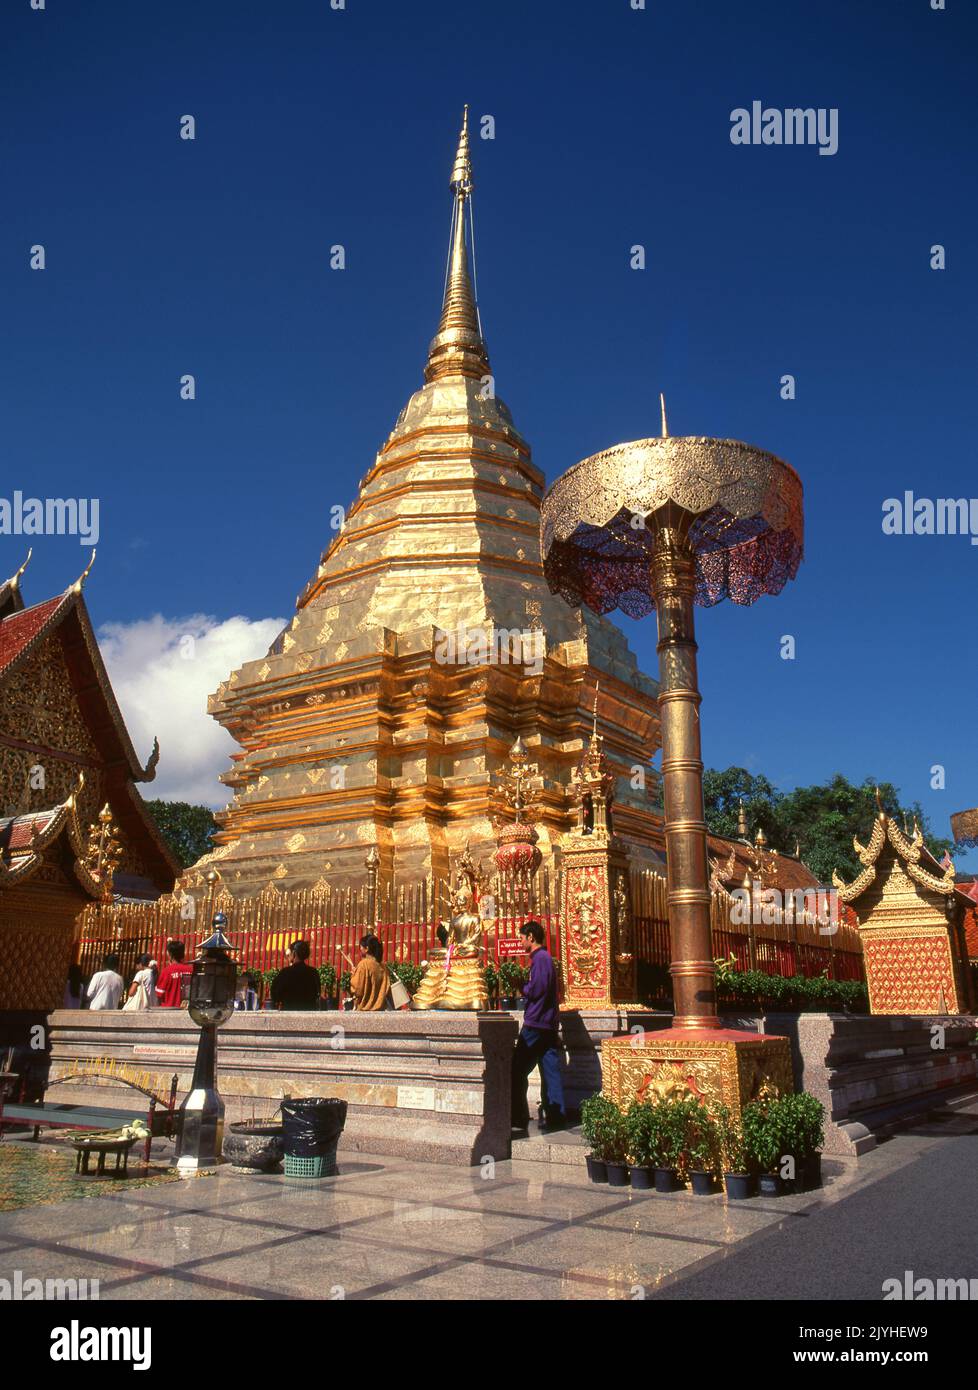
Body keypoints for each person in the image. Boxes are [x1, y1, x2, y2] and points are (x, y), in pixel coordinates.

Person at [511, 920, 566, 1134]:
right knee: (550, 1069)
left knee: (517, 1069)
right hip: (547, 1024)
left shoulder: (541, 959)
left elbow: (538, 990)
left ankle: (518, 1113)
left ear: (531, 937)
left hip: (536, 1024)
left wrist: (521, 986)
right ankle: (556, 1114)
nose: (520, 941)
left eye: (521, 938)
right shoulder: (543, 959)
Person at [270, 940, 321, 1011]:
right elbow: (317, 993)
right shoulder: (313, 972)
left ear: (294, 953)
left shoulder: (285, 972)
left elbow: (275, 995)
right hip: (309, 1013)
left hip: (289, 1012)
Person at [349, 934, 391, 1011]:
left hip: (365, 1008)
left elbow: (357, 989)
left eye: (361, 946)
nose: (360, 949)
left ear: (367, 948)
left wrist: (353, 976)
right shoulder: (383, 966)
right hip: (380, 1009)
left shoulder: (364, 964)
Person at [155, 940, 193, 1008]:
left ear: (170, 954)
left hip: (168, 1010)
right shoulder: (191, 970)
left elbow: (159, 995)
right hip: (186, 1010)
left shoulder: (166, 971)